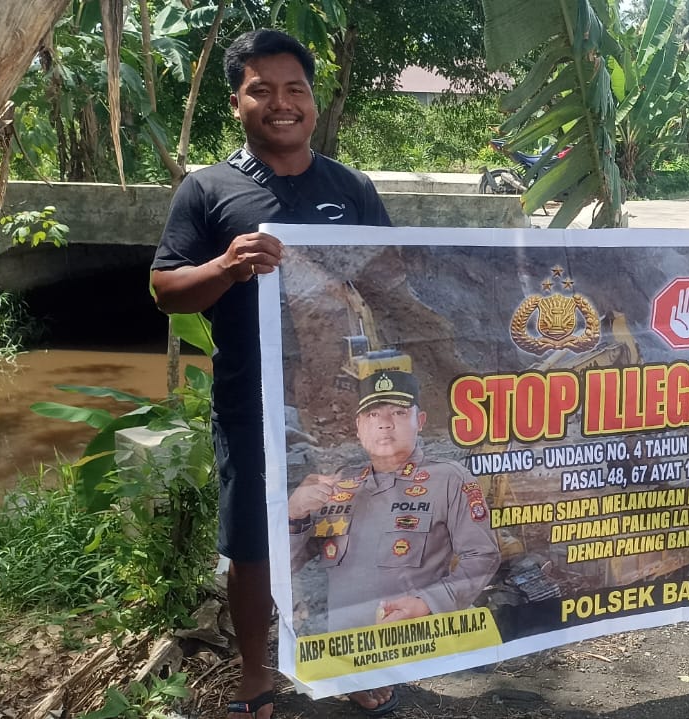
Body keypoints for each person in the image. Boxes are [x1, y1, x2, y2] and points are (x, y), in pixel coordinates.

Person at [149, 29, 393, 718]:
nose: (281, 103)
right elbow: (166, 291)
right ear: (237, 102)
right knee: (254, 545)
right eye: (262, 90)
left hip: (341, 401)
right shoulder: (206, 190)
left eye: (295, 89)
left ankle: (353, 659)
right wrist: (225, 266)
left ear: (313, 100)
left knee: (352, 532)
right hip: (250, 402)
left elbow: (392, 279)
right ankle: (257, 675)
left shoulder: (352, 189)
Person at [287, 368, 501, 637]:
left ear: (420, 421)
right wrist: (294, 515)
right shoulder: (339, 484)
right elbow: (286, 567)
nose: (384, 423)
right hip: (344, 650)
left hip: (416, 643)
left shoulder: (448, 478)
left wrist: (428, 603)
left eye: (399, 412)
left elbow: (483, 555)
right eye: (372, 414)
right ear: (359, 426)